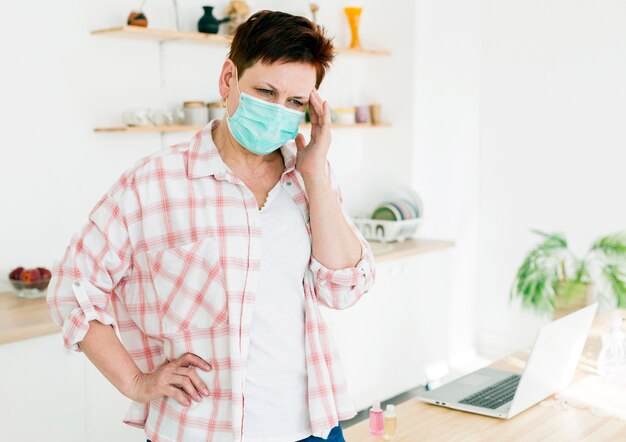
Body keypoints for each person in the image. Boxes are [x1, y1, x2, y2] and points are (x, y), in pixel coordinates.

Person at [47, 9, 375, 442]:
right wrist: (135, 382)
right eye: (265, 91)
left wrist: (314, 174)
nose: (279, 111)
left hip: (311, 425)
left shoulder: (310, 178)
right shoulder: (154, 183)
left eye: (296, 102)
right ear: (228, 80)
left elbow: (344, 287)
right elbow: (74, 286)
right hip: (200, 428)